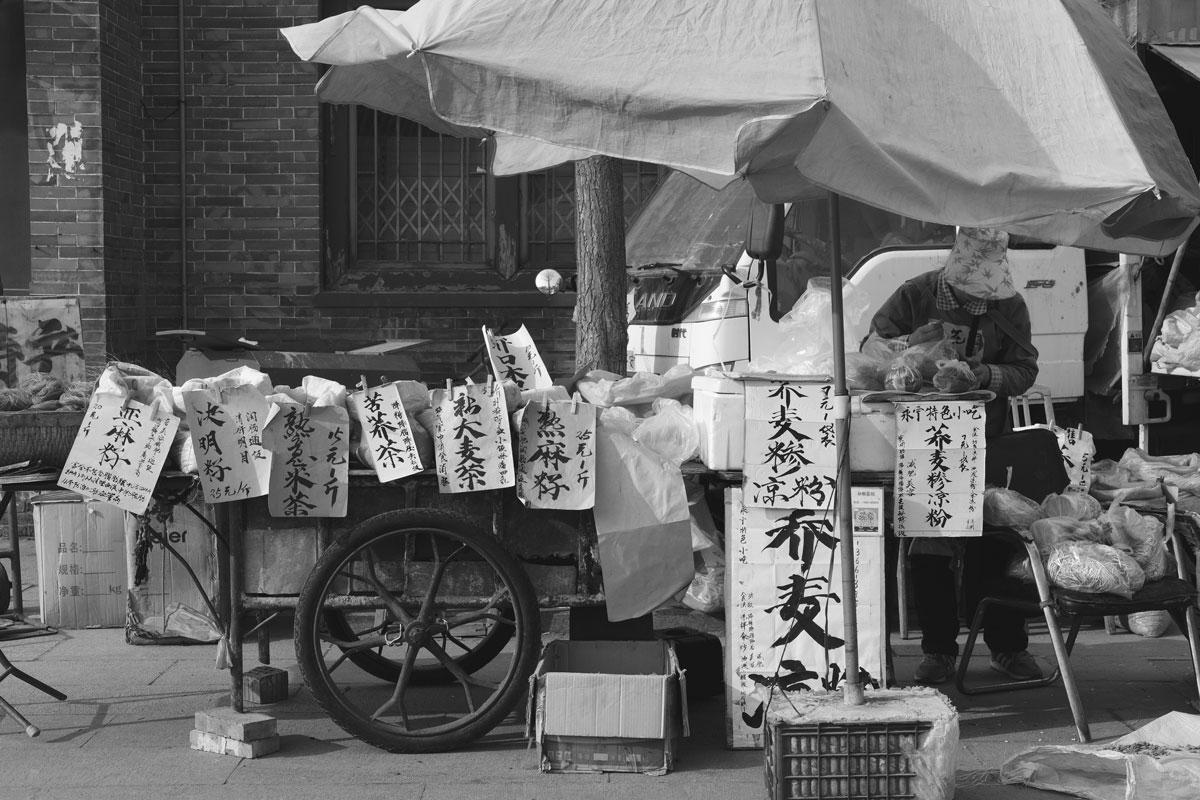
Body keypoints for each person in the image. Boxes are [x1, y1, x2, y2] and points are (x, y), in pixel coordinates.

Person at [868, 226, 1043, 686]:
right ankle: (939, 651)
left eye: (986, 297)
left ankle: (1007, 647)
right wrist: (911, 347)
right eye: (970, 296)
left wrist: (984, 374)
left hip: (988, 443)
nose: (978, 304)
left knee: (996, 542)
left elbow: (1025, 369)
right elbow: (870, 353)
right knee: (931, 544)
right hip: (924, 445)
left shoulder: (1010, 305)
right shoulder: (915, 295)